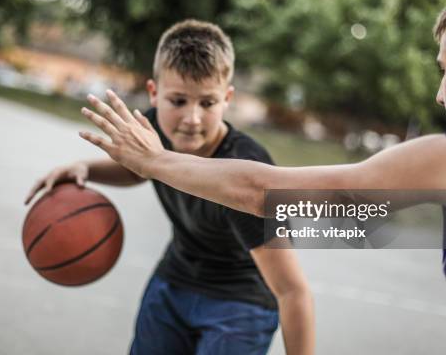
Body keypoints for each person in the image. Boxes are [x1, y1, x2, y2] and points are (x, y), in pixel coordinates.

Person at [79, 0, 446, 354]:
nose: (439, 94)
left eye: (443, 70)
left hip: (238, 304)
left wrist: (154, 160)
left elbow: (262, 194)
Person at [27, 19, 314, 355]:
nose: (191, 118)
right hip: (176, 280)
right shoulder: (156, 134)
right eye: (178, 101)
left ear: (227, 98)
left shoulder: (247, 176)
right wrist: (85, 170)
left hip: (240, 301)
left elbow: (293, 291)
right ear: (154, 93)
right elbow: (141, 170)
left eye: (207, 103)